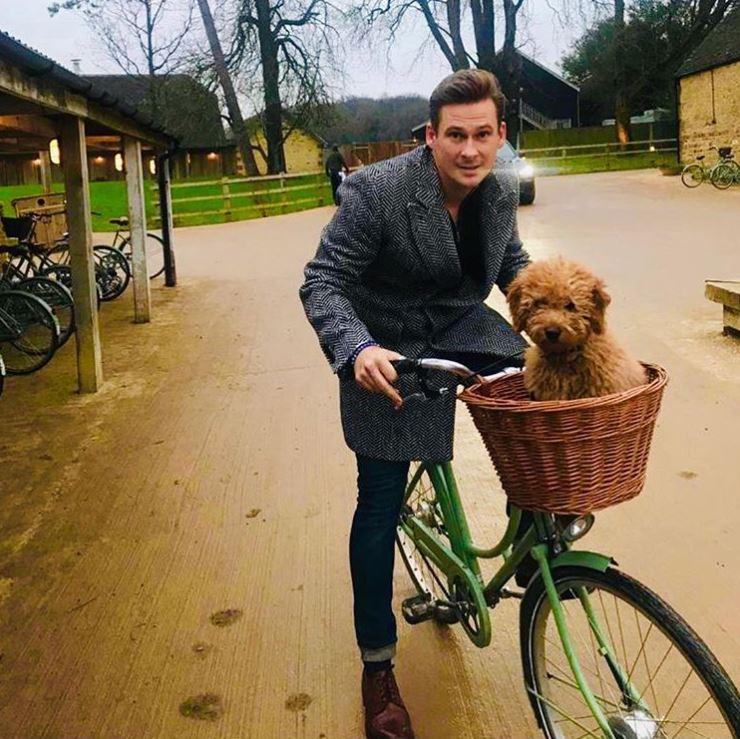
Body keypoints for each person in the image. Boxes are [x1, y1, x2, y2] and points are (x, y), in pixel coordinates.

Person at [300, 70, 530, 739]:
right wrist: (356, 347)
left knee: (546, 386)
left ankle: (542, 528)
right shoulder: (376, 191)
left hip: (461, 327)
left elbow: (511, 265)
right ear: (431, 136)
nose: (468, 150)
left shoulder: (500, 190)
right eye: (454, 135)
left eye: (482, 134)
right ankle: (377, 666)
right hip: (387, 351)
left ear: (499, 136)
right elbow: (324, 280)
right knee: (378, 502)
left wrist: (557, 314)